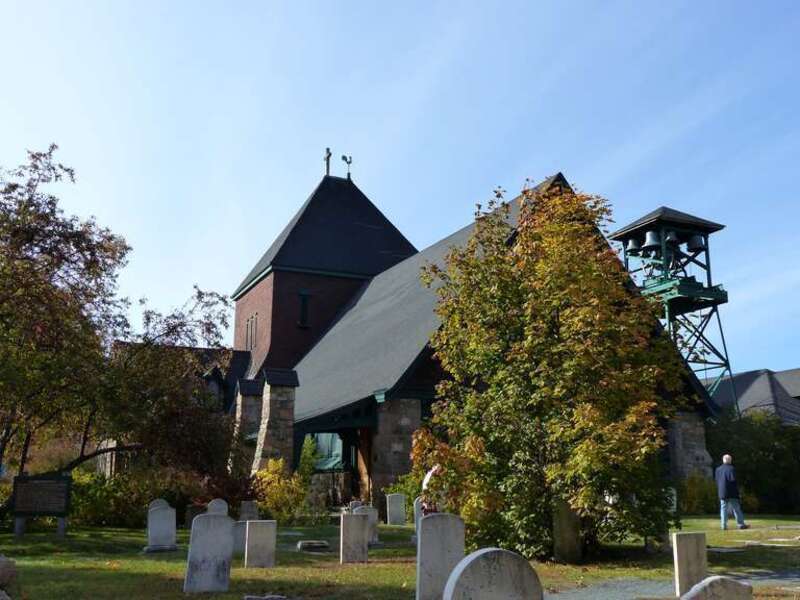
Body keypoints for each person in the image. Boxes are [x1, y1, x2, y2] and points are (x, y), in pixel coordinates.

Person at [715, 454, 749, 530]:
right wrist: (738, 492)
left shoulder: (718, 469)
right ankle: (740, 524)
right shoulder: (732, 469)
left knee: (723, 509)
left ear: (723, 460)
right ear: (730, 460)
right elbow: (733, 481)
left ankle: (723, 525)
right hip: (732, 492)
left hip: (722, 492)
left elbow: (717, 481)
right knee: (736, 508)